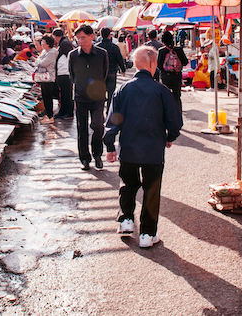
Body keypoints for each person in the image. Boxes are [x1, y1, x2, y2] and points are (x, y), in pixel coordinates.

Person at [104, 46, 182, 248]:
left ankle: (126, 220)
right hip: (153, 150)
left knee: (128, 185)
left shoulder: (123, 89)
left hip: (128, 148)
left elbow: (113, 120)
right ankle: (147, 233)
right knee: (151, 190)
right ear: (153, 64)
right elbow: (174, 120)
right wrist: (170, 136)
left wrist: (110, 145)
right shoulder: (161, 90)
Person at [68, 25, 108, 170]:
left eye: (83, 37)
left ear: (92, 36)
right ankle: (84, 158)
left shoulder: (102, 54)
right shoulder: (73, 55)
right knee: (81, 128)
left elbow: (105, 73)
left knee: (98, 126)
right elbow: (71, 75)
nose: (80, 41)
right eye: (78, 38)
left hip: (98, 97)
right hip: (80, 97)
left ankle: (97, 154)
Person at [97, 28, 127, 113]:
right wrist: (123, 69)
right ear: (109, 35)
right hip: (112, 72)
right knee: (111, 93)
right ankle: (109, 111)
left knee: (100, 94)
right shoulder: (114, 47)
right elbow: (119, 59)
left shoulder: (97, 47)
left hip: (100, 74)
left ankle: (100, 111)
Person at [157, 31, 188, 109]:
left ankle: (167, 112)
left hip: (166, 76)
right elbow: (185, 62)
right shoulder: (178, 49)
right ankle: (177, 112)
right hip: (177, 76)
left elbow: (159, 65)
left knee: (165, 95)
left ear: (163, 41)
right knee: (177, 95)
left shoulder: (162, 51)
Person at [34, 35, 59, 124]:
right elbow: (37, 61)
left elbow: (43, 63)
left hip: (48, 78)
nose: (42, 44)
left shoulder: (51, 52)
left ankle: (50, 117)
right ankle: (48, 115)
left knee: (48, 97)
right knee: (45, 97)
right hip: (44, 78)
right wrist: (39, 62)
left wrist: (40, 62)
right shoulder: (45, 51)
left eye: (43, 42)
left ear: (48, 43)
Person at [52, 28, 74, 119]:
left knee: (66, 94)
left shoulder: (64, 43)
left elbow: (70, 56)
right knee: (65, 94)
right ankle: (64, 111)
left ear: (56, 36)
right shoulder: (64, 42)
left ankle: (67, 112)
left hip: (65, 73)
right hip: (63, 72)